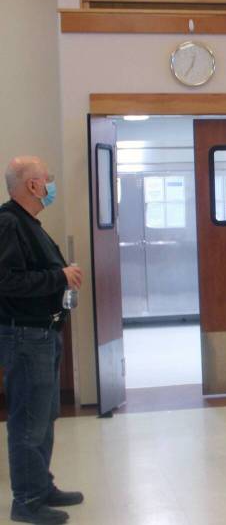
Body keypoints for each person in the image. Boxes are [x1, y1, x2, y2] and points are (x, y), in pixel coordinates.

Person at [0, 156, 84, 525]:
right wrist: (60, 278)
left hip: (44, 332)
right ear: (32, 186)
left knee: (45, 415)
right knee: (28, 420)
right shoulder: (7, 223)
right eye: (46, 179)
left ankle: (41, 485)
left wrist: (60, 279)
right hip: (24, 334)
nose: (50, 185)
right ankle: (27, 499)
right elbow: (8, 282)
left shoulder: (28, 223)